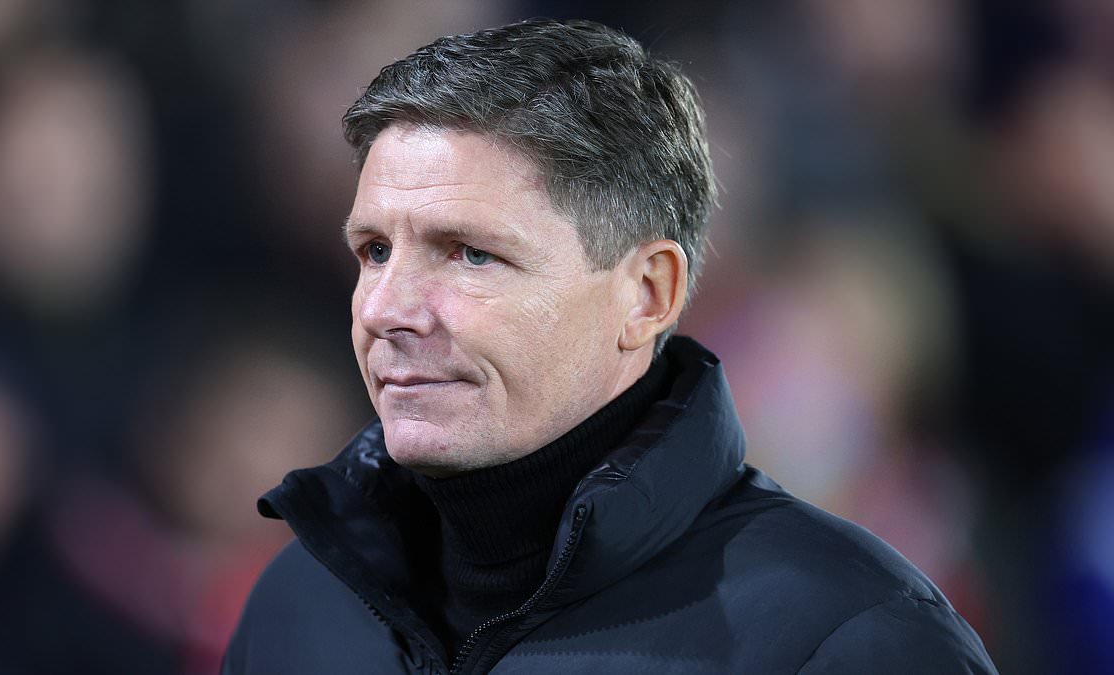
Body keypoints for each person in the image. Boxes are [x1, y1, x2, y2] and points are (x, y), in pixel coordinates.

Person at [222, 19, 997, 674]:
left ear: (648, 293)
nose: (385, 309)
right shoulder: (299, 608)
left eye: (469, 253)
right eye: (375, 251)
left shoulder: (852, 639)